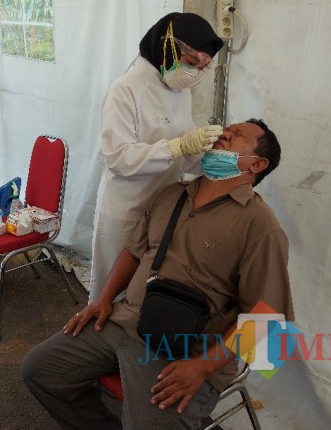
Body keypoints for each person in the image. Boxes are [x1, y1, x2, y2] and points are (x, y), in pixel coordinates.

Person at [22, 119, 294, 430]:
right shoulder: (172, 194)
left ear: (257, 163)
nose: (225, 133)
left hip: (185, 351)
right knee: (40, 370)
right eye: (226, 128)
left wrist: (203, 367)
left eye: (238, 136)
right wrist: (104, 299)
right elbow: (134, 252)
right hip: (126, 320)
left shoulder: (260, 226)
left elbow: (267, 316)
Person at [89, 12, 225, 302]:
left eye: (204, 67)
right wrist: (176, 147)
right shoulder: (125, 90)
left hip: (163, 205)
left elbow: (186, 157)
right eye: (191, 62)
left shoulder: (180, 90)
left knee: (143, 287)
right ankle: (98, 339)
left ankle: (131, 341)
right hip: (127, 206)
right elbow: (118, 157)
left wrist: (215, 160)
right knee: (112, 290)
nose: (195, 74)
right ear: (168, 46)